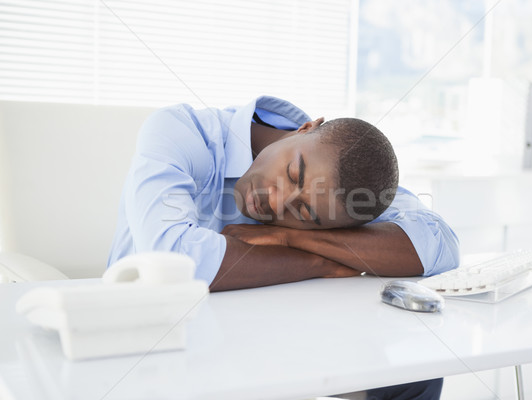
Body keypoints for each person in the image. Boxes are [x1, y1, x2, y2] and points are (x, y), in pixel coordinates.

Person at [107, 96, 458, 400]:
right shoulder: (183, 131)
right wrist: (321, 264)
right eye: (293, 174)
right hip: (148, 344)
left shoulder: (344, 179)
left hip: (255, 341)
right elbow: (173, 260)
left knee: (413, 375)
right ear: (305, 128)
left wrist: (293, 239)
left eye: (304, 211)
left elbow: (439, 242)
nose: (274, 201)